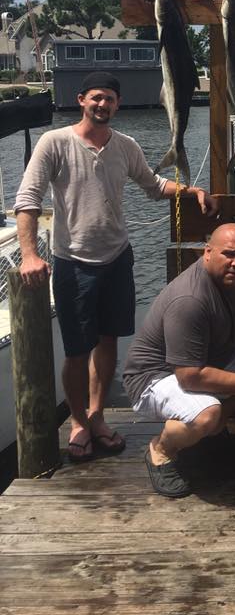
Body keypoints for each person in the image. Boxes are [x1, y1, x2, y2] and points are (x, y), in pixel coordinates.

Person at [14, 71, 219, 464]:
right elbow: (28, 199)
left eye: (109, 98)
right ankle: (78, 422)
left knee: (108, 342)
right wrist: (28, 254)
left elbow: (153, 184)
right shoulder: (54, 142)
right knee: (77, 351)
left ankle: (97, 415)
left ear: (117, 104)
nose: (102, 104)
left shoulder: (125, 145)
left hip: (117, 258)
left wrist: (191, 191)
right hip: (73, 261)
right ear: (81, 100)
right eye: (96, 97)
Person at [123, 222, 235, 498]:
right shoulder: (190, 299)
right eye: (228, 254)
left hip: (208, 360)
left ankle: (215, 425)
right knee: (206, 413)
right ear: (207, 252)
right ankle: (161, 450)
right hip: (154, 377)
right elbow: (190, 376)